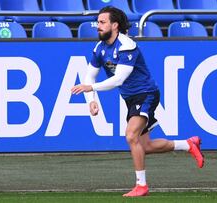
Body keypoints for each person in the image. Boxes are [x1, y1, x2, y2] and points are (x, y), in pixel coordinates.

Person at [71, 6, 204, 197]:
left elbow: (118, 79)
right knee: (145, 146)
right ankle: (188, 144)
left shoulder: (126, 45)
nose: (97, 26)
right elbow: (89, 77)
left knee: (131, 136)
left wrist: (91, 89)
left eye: (102, 22)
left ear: (114, 25)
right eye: (97, 22)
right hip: (131, 98)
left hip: (146, 94)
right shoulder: (99, 48)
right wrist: (91, 100)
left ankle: (141, 186)